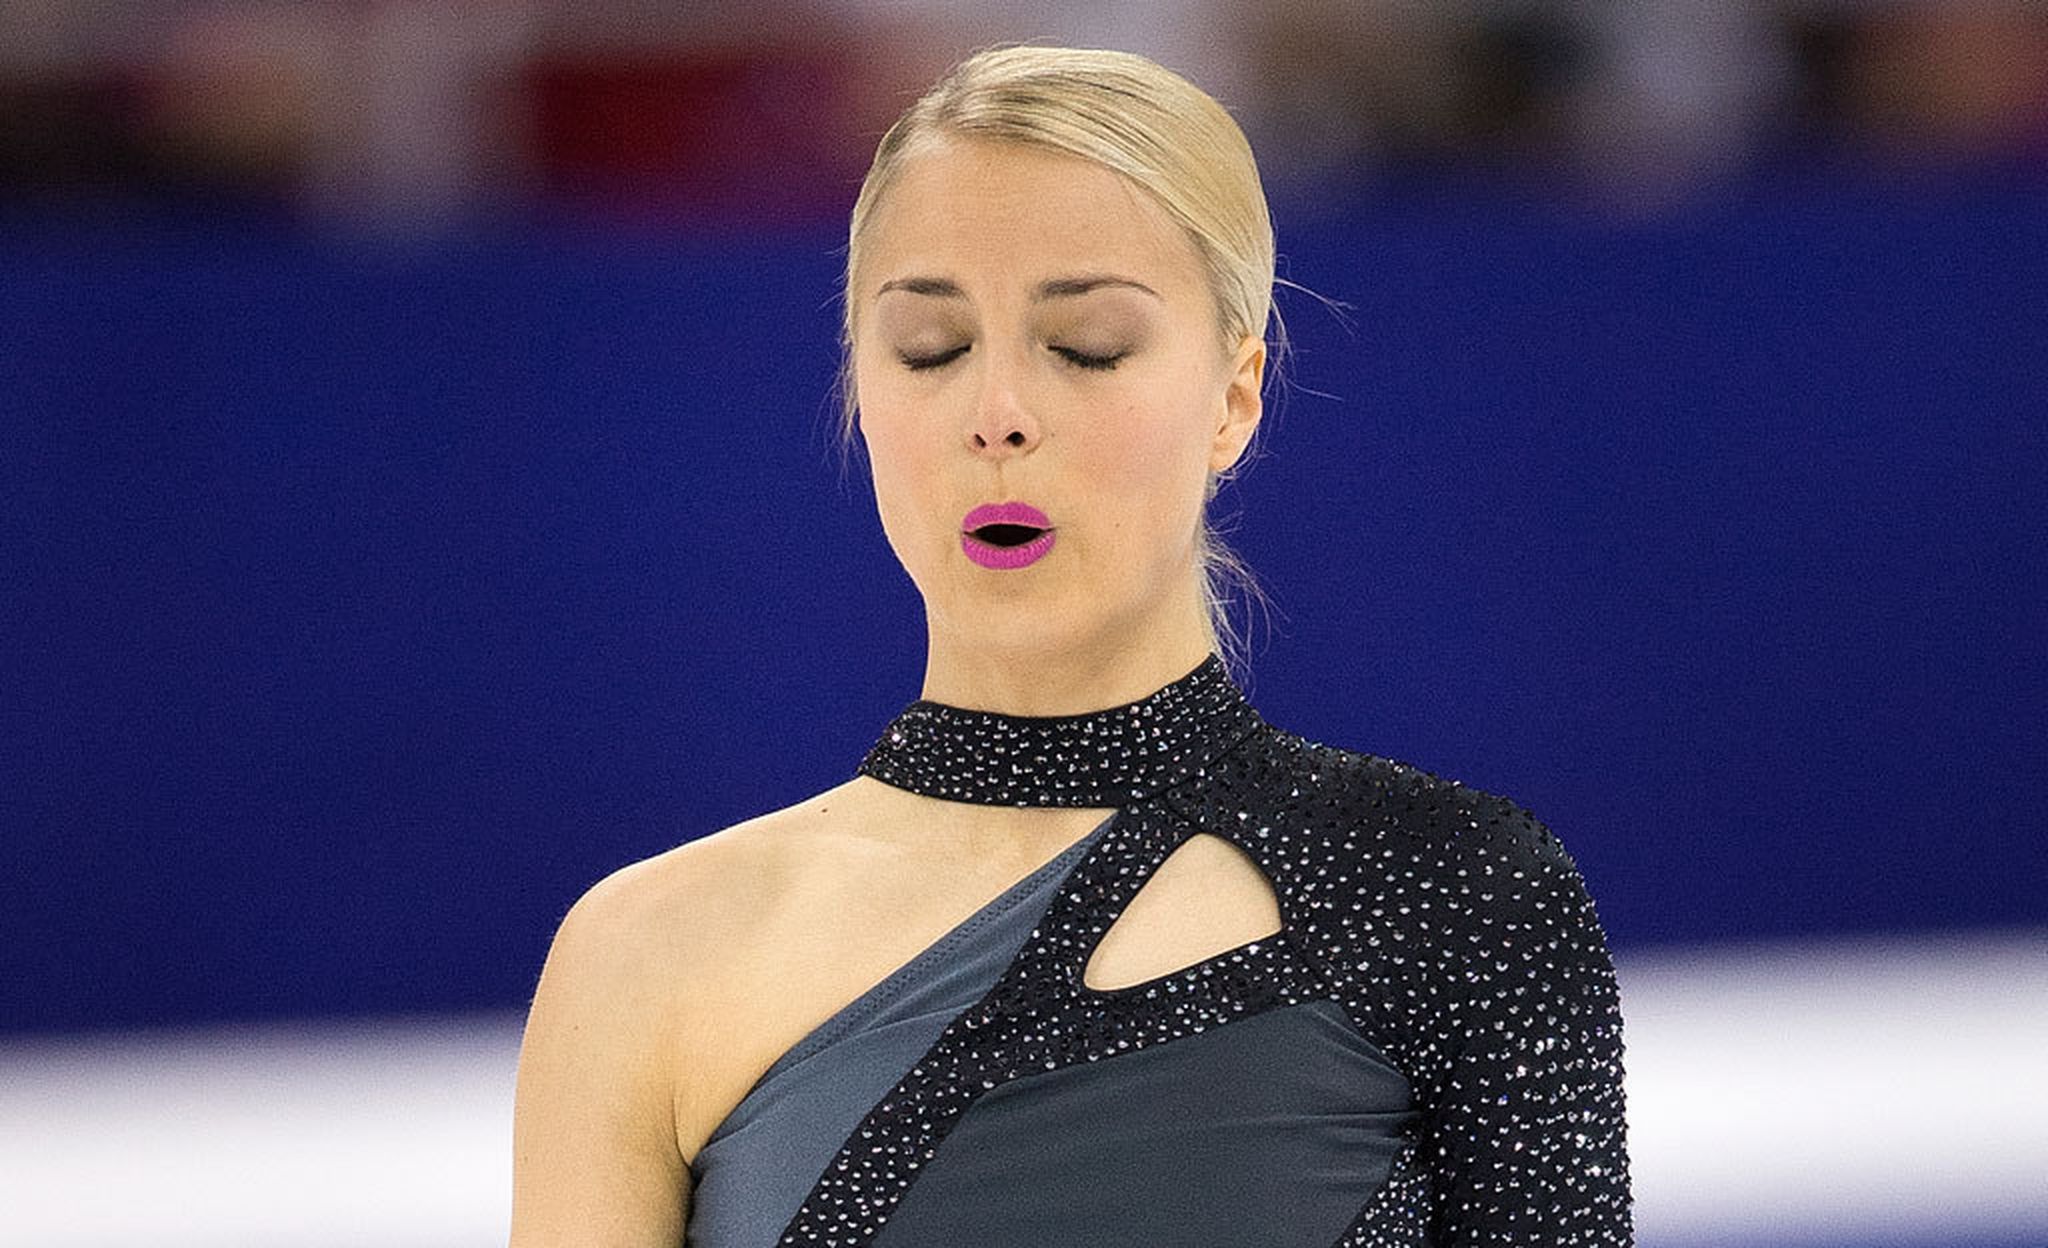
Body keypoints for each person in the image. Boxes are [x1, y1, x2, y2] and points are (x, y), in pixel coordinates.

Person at [510, 45, 1630, 1248]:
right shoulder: (643, 957)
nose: (997, 413)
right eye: (930, 347)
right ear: (861, 395)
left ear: (1233, 396)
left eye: (1086, 345)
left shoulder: (1451, 894)